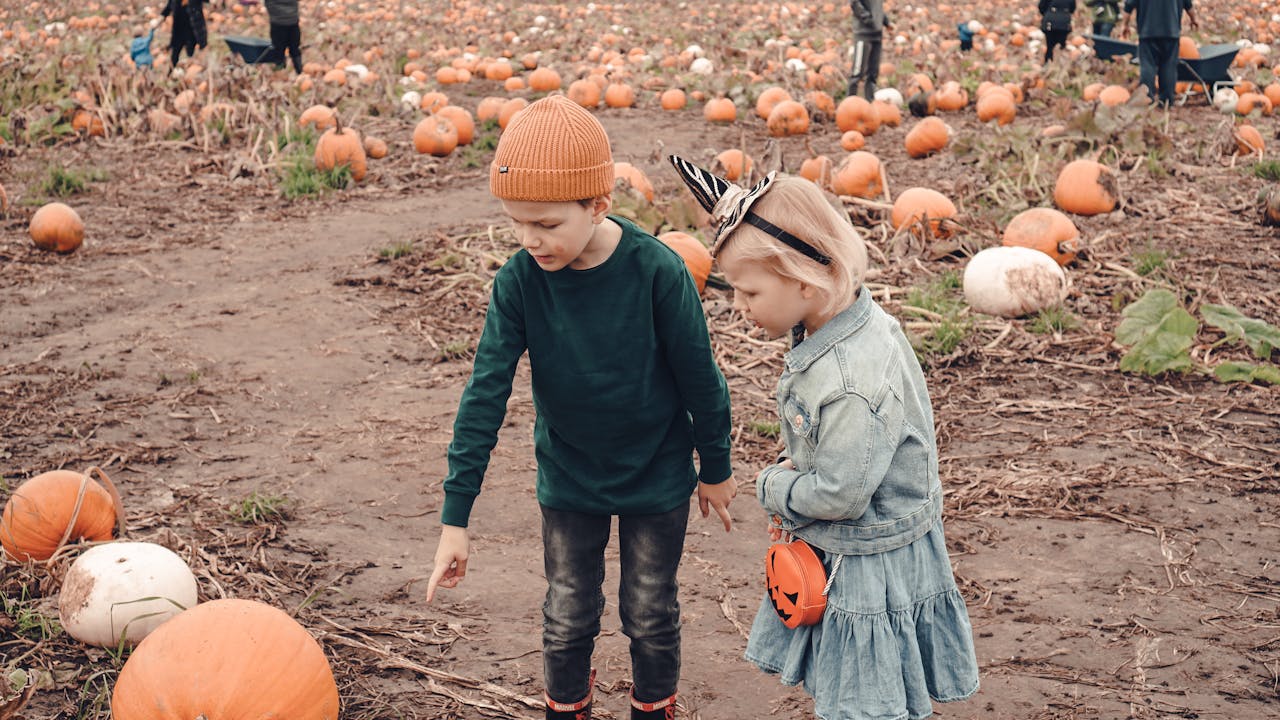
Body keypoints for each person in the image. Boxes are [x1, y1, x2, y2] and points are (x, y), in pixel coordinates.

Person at [425, 95, 737, 720]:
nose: (529, 240)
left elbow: (701, 379)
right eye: (517, 223)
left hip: (657, 473)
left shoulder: (658, 272)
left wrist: (717, 467)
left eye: (545, 224)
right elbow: (484, 395)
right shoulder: (519, 282)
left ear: (597, 204)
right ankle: (566, 707)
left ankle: (653, 707)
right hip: (570, 477)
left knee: (649, 612)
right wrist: (455, 518)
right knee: (567, 613)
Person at [670, 159, 981, 720]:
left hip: (867, 556)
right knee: (862, 685)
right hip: (869, 540)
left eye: (748, 292)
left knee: (864, 700)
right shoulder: (845, 322)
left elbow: (840, 494)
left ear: (804, 280)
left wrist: (774, 487)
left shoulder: (849, 382)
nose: (738, 306)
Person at [1120, 0, 1199, 107]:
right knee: (1169, 66)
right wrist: (1194, 19)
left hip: (1148, 31)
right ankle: (1166, 100)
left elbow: (1129, 5)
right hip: (1171, 32)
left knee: (1148, 65)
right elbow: (1188, 5)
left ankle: (1147, 98)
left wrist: (1124, 24)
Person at [848, 1, 891, 101]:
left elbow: (877, 8)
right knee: (857, 72)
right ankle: (850, 101)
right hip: (863, 34)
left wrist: (886, 22)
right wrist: (868, 19)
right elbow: (855, 3)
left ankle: (870, 101)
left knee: (873, 73)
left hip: (877, 35)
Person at [154, 0, 207, 69]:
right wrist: (158, 21)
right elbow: (168, 8)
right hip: (178, 31)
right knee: (174, 54)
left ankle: (189, 70)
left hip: (192, 32)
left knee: (190, 53)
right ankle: (171, 71)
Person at [264, 0, 303, 74]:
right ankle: (299, 71)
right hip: (291, 20)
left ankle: (280, 69)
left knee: (279, 48)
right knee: (294, 48)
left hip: (278, 21)